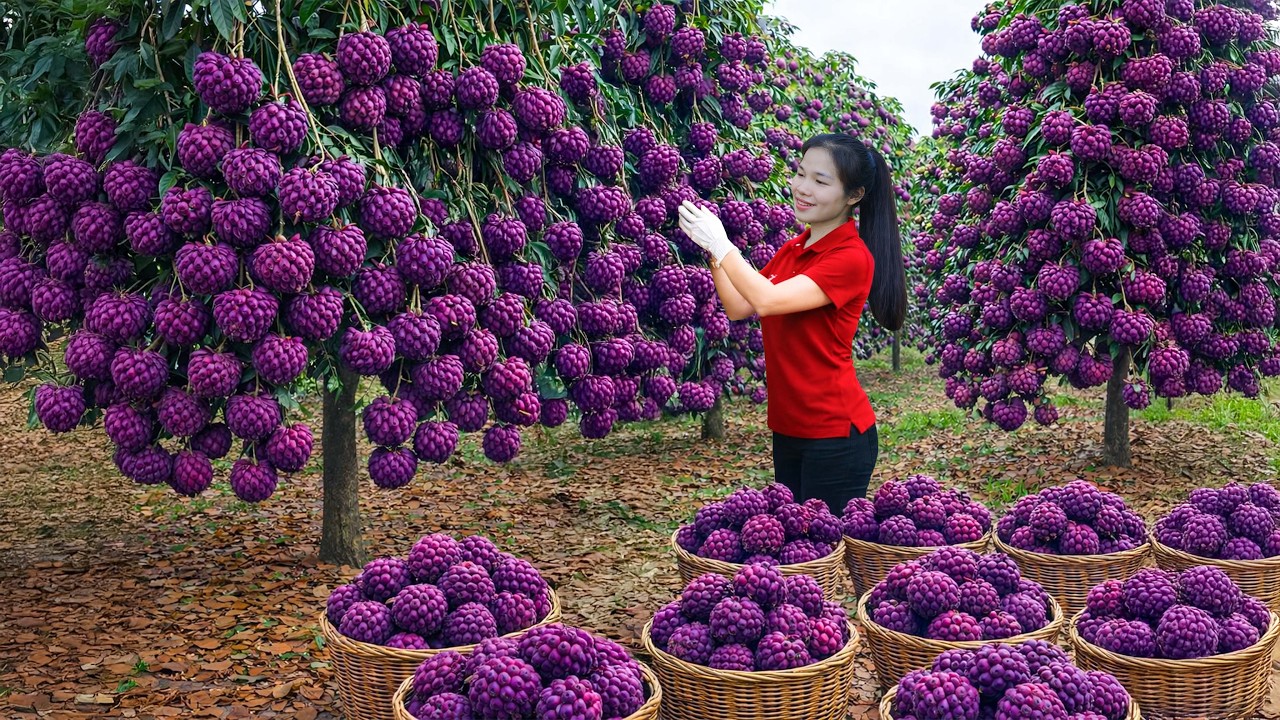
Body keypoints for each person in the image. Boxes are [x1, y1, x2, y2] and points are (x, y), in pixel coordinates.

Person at [677, 133, 907, 515]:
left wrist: (723, 246)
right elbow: (738, 305)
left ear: (854, 196)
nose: (802, 188)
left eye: (820, 181)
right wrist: (713, 252)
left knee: (818, 552)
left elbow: (767, 302)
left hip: (835, 433)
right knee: (796, 553)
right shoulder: (794, 248)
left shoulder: (851, 257)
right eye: (800, 174)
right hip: (789, 426)